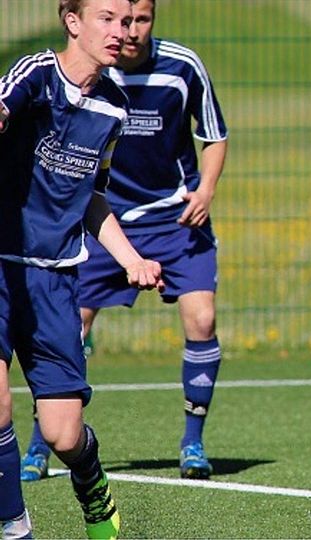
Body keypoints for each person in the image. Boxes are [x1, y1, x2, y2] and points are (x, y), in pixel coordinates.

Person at [19, 0, 229, 484]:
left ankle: (193, 442)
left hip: (174, 219)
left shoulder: (181, 67)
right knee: (69, 326)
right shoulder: (86, 75)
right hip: (103, 222)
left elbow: (214, 135)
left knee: (202, 317)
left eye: (140, 19)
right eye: (116, 19)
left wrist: (205, 190)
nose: (128, 30)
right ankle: (39, 445)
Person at [0, 0, 166, 538]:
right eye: (106, 18)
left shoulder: (114, 109)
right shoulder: (37, 75)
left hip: (54, 281)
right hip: (0, 267)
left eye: (127, 20)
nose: (121, 31)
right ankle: (15, 526)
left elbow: (92, 196)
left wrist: (132, 258)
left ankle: (92, 482)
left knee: (64, 436)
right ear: (72, 22)